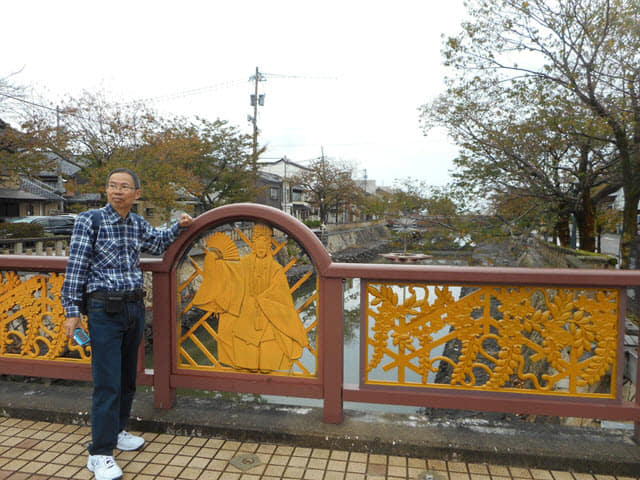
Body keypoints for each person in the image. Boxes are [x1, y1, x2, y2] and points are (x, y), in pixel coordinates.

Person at [62, 168, 193, 480]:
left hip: (134, 307)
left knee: (127, 379)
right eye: (112, 186)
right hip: (103, 308)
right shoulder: (90, 220)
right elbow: (76, 267)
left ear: (137, 194)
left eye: (124, 187)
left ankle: (118, 431)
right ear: (106, 190)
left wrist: (180, 225)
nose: (117, 191)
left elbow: (159, 243)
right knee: (107, 382)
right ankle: (100, 453)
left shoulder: (136, 222)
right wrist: (72, 311)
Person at [192, 223, 309, 372]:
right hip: (246, 314)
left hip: (268, 314)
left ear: (269, 245)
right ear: (253, 244)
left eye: (265, 244)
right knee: (243, 345)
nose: (261, 248)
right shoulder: (244, 263)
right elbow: (229, 273)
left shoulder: (276, 269)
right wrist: (213, 259)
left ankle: (266, 369)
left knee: (269, 347)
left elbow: (281, 294)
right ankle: (248, 368)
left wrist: (263, 300)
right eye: (258, 244)